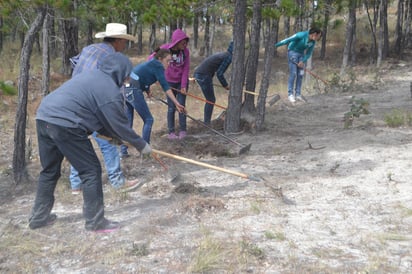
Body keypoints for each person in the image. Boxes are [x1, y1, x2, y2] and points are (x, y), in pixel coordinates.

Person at [28, 53, 152, 232]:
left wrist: (114, 138)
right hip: (66, 124)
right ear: (120, 71)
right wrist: (142, 146)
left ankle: (38, 218)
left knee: (49, 171)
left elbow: (97, 116)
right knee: (90, 170)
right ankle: (96, 222)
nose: (127, 80)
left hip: (44, 117)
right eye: (126, 75)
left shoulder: (92, 76)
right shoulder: (109, 90)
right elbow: (120, 125)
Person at [69, 23, 139, 194]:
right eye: (124, 42)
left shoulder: (89, 49)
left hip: (74, 99)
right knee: (107, 140)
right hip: (94, 103)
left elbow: (74, 62)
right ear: (118, 40)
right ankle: (117, 181)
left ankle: (76, 184)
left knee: (79, 143)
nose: (124, 46)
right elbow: (114, 85)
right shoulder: (112, 57)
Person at [120, 49, 185, 156]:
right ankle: (145, 152)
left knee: (127, 122)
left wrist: (147, 89)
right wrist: (176, 103)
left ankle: (123, 152)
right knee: (148, 119)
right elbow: (166, 86)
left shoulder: (152, 64)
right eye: (167, 61)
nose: (169, 64)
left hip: (125, 88)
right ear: (160, 59)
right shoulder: (158, 65)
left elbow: (141, 75)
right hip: (133, 89)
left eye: (170, 62)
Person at [151, 29, 190, 140]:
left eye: (186, 42)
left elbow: (186, 69)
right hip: (169, 83)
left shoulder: (185, 52)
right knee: (171, 107)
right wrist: (158, 76)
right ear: (177, 41)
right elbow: (151, 58)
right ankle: (171, 132)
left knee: (181, 106)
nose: (185, 45)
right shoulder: (165, 49)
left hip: (181, 83)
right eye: (183, 42)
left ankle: (183, 130)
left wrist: (183, 85)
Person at [275, 27, 322, 103]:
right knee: (293, 73)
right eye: (318, 36)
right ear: (314, 34)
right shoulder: (301, 35)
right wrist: (275, 45)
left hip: (301, 55)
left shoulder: (312, 42)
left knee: (300, 74)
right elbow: (288, 40)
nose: (319, 38)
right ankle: (290, 94)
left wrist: (303, 61)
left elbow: (309, 53)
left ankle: (298, 94)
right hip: (292, 52)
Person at [193, 41, 233, 124]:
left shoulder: (224, 54)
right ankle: (207, 124)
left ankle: (206, 122)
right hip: (203, 75)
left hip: (201, 74)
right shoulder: (228, 57)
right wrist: (225, 85)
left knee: (210, 99)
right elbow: (219, 73)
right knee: (210, 99)